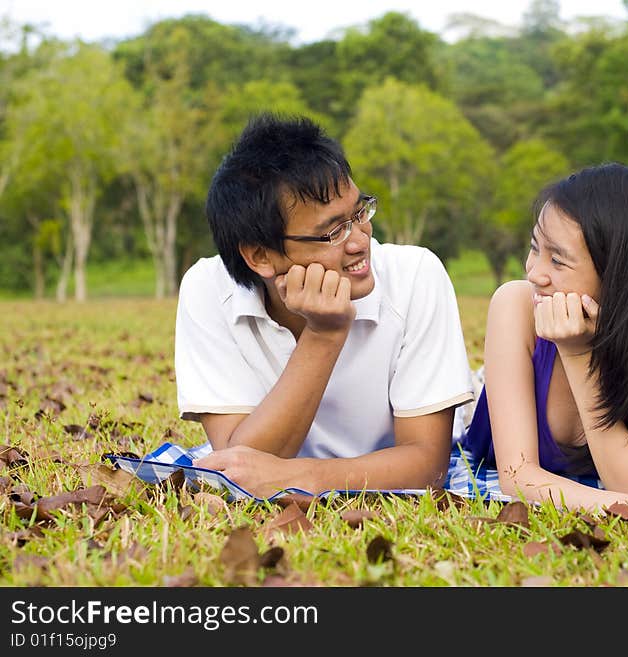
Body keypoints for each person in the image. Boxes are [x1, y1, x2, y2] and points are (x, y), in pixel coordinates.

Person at [174, 113, 474, 498]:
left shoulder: (415, 275)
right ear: (261, 256)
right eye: (332, 232)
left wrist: (304, 477)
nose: (359, 241)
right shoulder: (208, 289)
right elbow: (239, 465)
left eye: (359, 213)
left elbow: (428, 466)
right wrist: (323, 335)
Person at [452, 162, 628, 514]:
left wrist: (579, 355)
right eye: (535, 248)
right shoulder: (515, 304)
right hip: (478, 407)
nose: (534, 272)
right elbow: (517, 476)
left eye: (557, 261)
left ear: (618, 274)